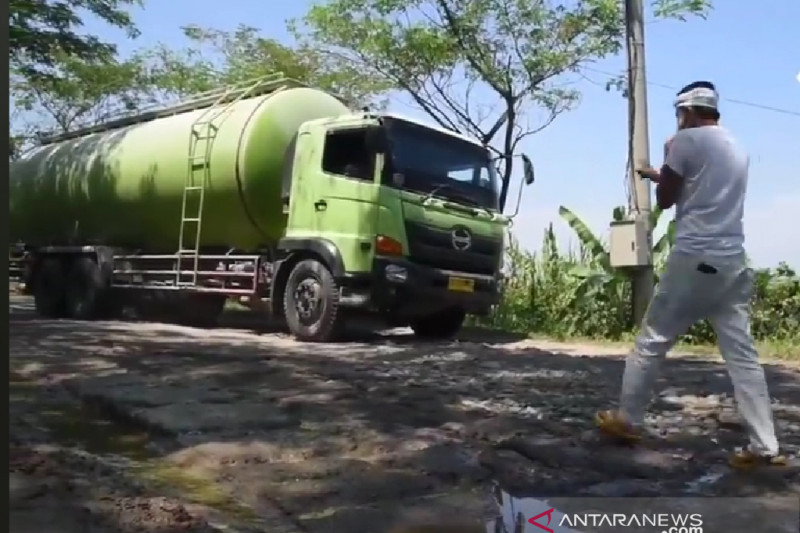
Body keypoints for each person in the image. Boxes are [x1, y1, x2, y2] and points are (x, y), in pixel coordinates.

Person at [594, 81, 787, 470]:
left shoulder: (684, 142)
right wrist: (658, 173)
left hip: (695, 257)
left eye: (680, 115)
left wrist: (666, 158)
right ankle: (765, 447)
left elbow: (667, 199)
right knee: (743, 358)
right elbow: (698, 186)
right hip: (732, 261)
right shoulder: (737, 147)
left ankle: (628, 420)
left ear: (686, 111)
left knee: (652, 339)